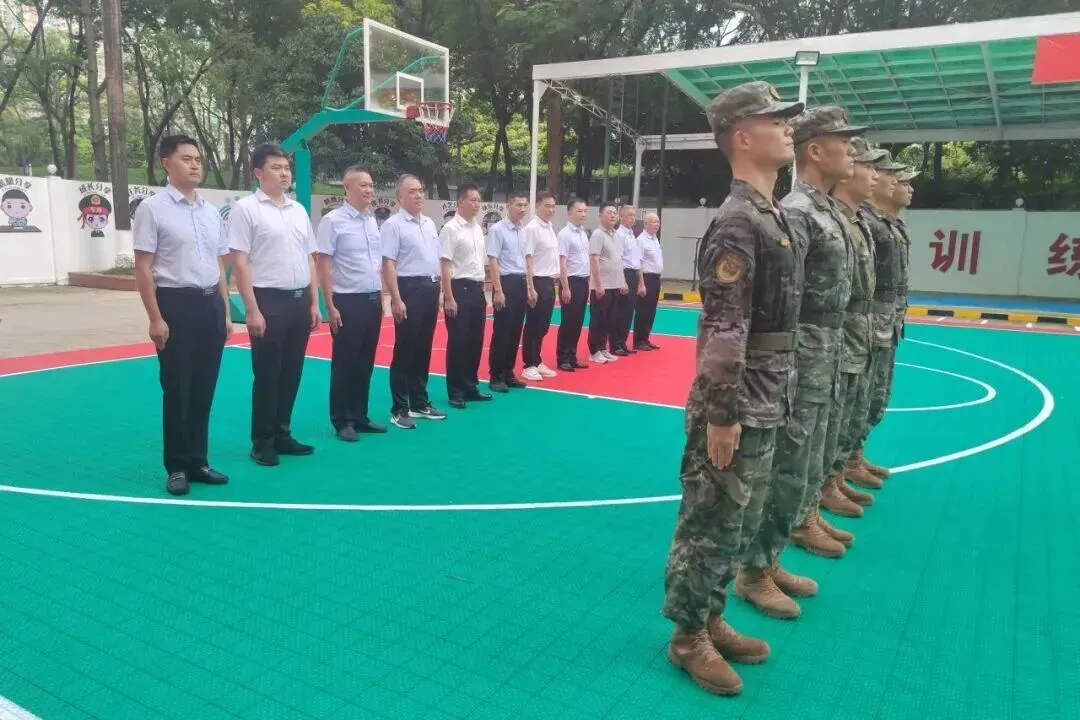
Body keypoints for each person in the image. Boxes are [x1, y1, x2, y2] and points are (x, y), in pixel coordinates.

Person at [661, 81, 803, 696]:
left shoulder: (770, 213)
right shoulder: (738, 222)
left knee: (739, 518)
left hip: (768, 392)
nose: (788, 128)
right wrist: (722, 414)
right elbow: (724, 326)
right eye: (776, 120)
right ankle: (687, 635)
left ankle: (713, 617)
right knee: (710, 520)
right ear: (743, 137)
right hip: (738, 399)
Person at [739, 108, 863, 605]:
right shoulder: (798, 212)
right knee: (787, 468)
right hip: (800, 358)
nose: (851, 151)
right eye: (843, 141)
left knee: (807, 463)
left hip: (827, 352)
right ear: (815, 150)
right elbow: (778, 302)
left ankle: (771, 556)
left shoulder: (826, 210)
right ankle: (754, 571)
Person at [133, 134, 231, 496]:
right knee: (177, 389)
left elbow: (219, 266)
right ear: (167, 163)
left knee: (204, 387)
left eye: (198, 159)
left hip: (210, 305)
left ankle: (198, 461)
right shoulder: (153, 209)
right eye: (187, 158)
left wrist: (225, 312)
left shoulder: (210, 211)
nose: (195, 165)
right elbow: (143, 267)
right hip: (175, 305)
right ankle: (176, 466)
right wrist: (155, 317)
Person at [229, 143, 321, 466]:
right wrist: (251, 309)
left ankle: (283, 433)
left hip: (299, 300)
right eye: (276, 168)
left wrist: (314, 302)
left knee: (292, 371)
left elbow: (309, 258)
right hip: (268, 300)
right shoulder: (246, 209)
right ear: (258, 173)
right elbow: (240, 262)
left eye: (286, 168)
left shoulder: (298, 210)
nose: (284, 173)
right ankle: (262, 441)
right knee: (268, 373)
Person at [819, 137, 885, 516]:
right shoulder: (813, 215)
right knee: (822, 426)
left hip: (855, 332)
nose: (875, 175)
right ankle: (815, 499)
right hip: (827, 340)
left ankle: (835, 476)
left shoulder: (855, 221)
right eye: (869, 165)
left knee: (847, 414)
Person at [848, 154, 918, 483]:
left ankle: (853, 456)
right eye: (897, 178)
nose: (905, 186)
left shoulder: (889, 224)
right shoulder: (867, 223)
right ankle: (841, 467)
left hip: (886, 321)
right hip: (867, 322)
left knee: (874, 396)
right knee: (858, 397)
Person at [315, 165, 388, 442]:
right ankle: (342, 419)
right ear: (347, 188)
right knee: (345, 363)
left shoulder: (371, 220)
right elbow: (323, 264)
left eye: (371, 185)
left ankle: (359, 415)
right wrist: (330, 305)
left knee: (365, 362)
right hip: (347, 301)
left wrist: (381, 296)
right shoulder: (333, 221)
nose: (369, 190)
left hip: (372, 300)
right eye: (363, 185)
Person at [381, 174, 446, 428]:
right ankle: (399, 408)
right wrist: (396, 299)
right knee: (405, 350)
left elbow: (435, 259)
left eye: (420, 190)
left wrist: (440, 290)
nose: (419, 195)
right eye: (412, 191)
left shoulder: (429, 223)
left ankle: (420, 402)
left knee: (423, 348)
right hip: (408, 289)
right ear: (400, 196)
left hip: (430, 288)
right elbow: (388, 263)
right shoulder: (393, 225)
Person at [439, 184, 491, 408]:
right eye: (472, 200)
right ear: (460, 202)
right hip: (459, 288)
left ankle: (471, 386)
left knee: (475, 340)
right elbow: (445, 264)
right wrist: (448, 297)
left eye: (479, 200)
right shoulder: (451, 229)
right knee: (458, 341)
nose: (477, 204)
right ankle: (456, 391)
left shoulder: (477, 228)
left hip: (477, 288)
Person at [486, 192, 530, 391]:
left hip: (520, 281)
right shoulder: (498, 230)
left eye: (525, 205)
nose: (523, 209)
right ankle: (496, 375)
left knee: (515, 331)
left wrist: (529, 287)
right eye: (519, 205)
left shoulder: (523, 230)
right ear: (508, 205)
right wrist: (498, 290)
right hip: (506, 282)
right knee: (503, 331)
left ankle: (508, 371)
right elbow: (493, 260)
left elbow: (525, 261)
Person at [521, 193, 561, 381]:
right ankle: (529, 364)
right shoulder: (532, 229)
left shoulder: (550, 227)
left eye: (553, 206)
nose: (550, 210)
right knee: (533, 324)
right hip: (537, 281)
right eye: (547, 206)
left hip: (549, 282)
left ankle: (537, 360)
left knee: (543, 325)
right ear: (537, 206)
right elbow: (527, 258)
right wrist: (530, 287)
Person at [555, 198, 591, 372]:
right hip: (571, 281)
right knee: (568, 321)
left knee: (578, 321)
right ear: (570, 212)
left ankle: (572, 355)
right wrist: (566, 287)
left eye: (585, 211)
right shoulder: (564, 234)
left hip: (583, 281)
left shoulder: (583, 233)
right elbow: (562, 262)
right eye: (579, 211)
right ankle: (563, 358)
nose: (583, 214)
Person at [587, 202, 624, 365]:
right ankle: (594, 350)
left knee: (609, 319)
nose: (613, 215)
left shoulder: (616, 235)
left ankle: (603, 348)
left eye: (614, 213)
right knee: (598, 319)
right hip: (602, 285)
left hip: (614, 285)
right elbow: (594, 260)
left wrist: (622, 281)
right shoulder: (597, 235)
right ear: (600, 215)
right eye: (609, 212)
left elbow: (618, 260)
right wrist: (598, 284)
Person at [611, 205, 645, 355]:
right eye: (629, 215)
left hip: (633, 274)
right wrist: (622, 280)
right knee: (621, 311)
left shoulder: (632, 234)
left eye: (634, 215)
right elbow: (618, 259)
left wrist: (640, 281)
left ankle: (622, 342)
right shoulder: (619, 235)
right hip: (624, 274)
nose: (632, 218)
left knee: (629, 311)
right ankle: (615, 344)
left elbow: (636, 260)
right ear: (621, 217)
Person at [633, 212, 663, 351]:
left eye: (658, 222)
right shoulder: (641, 240)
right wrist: (641, 283)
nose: (657, 224)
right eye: (653, 222)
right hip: (646, 278)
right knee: (643, 310)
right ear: (645, 224)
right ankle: (639, 340)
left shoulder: (654, 239)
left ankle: (645, 338)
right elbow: (638, 262)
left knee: (651, 310)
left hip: (655, 278)